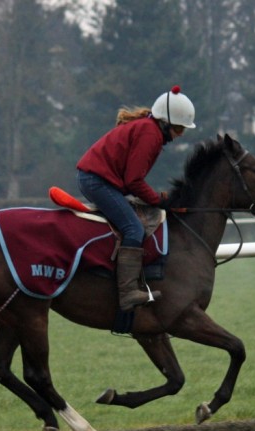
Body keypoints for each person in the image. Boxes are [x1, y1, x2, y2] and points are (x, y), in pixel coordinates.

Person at [76, 85, 196, 311]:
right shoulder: (149, 133)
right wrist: (158, 200)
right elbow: (134, 181)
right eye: (179, 129)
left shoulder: (149, 129)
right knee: (134, 229)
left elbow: (132, 180)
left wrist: (155, 198)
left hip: (99, 179)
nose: (180, 135)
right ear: (166, 123)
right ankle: (128, 291)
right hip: (96, 181)